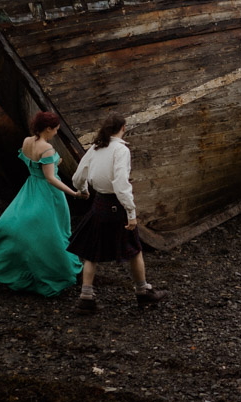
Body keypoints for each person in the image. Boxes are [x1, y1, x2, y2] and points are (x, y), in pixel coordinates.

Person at [0, 111, 87, 297]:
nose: (56, 133)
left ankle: (22, 267)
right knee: (53, 232)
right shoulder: (47, 149)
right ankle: (57, 272)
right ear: (48, 128)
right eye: (55, 130)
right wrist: (74, 192)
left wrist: (55, 163)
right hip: (48, 193)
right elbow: (50, 177)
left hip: (30, 187)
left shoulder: (27, 141)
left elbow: (35, 165)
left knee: (32, 228)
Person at [67, 114, 168, 313]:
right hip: (116, 205)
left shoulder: (95, 148)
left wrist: (84, 190)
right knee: (134, 248)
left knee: (91, 252)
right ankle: (143, 292)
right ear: (123, 127)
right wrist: (131, 213)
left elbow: (78, 177)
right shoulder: (121, 150)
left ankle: (86, 298)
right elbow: (121, 184)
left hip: (99, 204)